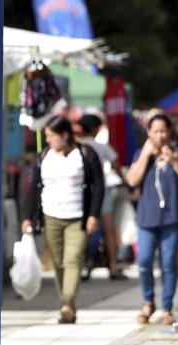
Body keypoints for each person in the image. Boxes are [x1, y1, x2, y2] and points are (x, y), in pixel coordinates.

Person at [21, 115, 104, 324]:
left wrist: (93, 214)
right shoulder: (45, 156)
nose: (48, 140)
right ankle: (68, 304)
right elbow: (34, 189)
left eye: (51, 136)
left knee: (73, 259)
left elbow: (99, 186)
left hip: (78, 217)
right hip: (51, 216)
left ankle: (67, 303)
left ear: (65, 135)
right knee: (57, 262)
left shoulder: (85, 153)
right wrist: (27, 217)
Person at [126, 114, 178, 325]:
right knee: (143, 261)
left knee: (169, 263)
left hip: (173, 216)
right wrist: (145, 155)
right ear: (148, 132)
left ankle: (167, 307)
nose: (159, 135)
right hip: (147, 217)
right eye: (155, 131)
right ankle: (148, 301)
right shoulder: (141, 152)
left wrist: (173, 160)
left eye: (163, 131)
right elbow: (132, 180)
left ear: (169, 131)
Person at [77, 114, 127, 280]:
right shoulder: (101, 146)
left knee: (82, 228)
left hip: (80, 191)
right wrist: (123, 180)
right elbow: (116, 163)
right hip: (101, 190)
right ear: (97, 129)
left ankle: (79, 266)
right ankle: (113, 266)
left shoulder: (76, 146)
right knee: (109, 229)